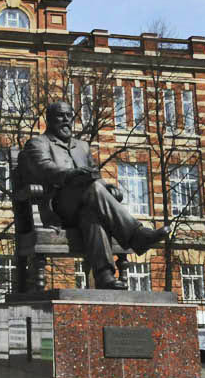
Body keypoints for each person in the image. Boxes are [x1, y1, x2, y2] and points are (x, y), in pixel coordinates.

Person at [21, 101, 169, 290]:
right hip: (58, 208)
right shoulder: (38, 143)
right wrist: (70, 175)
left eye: (69, 115)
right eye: (60, 116)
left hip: (86, 205)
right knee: (92, 189)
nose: (66, 120)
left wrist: (108, 188)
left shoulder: (81, 146)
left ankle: (105, 276)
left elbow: (95, 176)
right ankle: (136, 234)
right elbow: (44, 169)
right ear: (49, 119)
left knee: (93, 214)